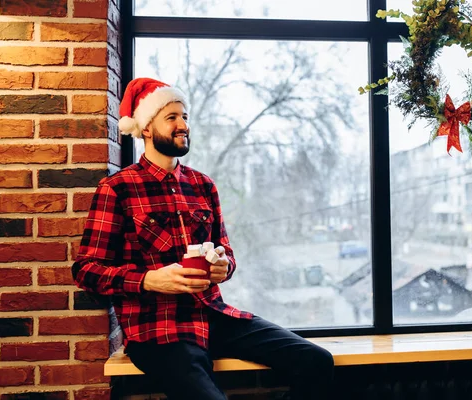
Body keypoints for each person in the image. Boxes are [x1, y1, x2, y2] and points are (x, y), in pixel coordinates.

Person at [72, 77, 334, 400]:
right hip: (157, 331)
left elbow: (227, 253)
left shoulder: (202, 185)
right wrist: (151, 280)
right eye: (172, 118)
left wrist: (224, 266)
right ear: (146, 130)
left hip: (213, 315)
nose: (183, 125)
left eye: (185, 117)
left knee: (317, 362)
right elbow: (86, 270)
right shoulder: (117, 189)